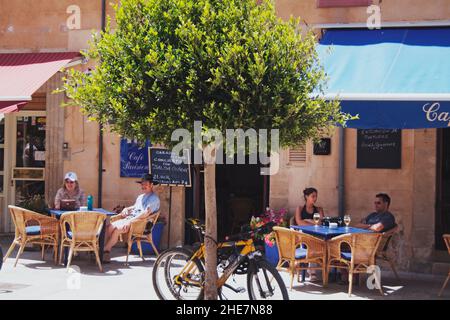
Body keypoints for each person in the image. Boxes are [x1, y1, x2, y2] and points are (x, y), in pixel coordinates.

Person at [103, 173, 160, 262]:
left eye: (146, 184)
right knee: (109, 227)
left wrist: (130, 221)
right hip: (130, 219)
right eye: (142, 184)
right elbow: (134, 207)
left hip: (139, 223)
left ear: (152, 185)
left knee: (117, 229)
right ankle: (105, 251)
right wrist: (126, 208)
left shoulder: (154, 199)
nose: (143, 186)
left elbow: (145, 213)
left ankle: (103, 251)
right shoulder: (141, 197)